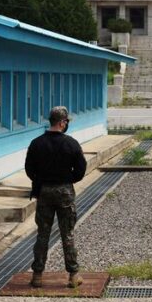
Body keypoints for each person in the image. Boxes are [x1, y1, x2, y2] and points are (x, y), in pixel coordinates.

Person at [24, 106, 87, 288]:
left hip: (44, 191)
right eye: (66, 121)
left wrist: (41, 180)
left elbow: (29, 169)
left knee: (42, 234)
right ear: (62, 122)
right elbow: (81, 170)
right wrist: (68, 179)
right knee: (67, 233)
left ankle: (37, 275)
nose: (67, 124)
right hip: (65, 192)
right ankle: (73, 275)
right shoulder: (72, 144)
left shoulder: (36, 143)